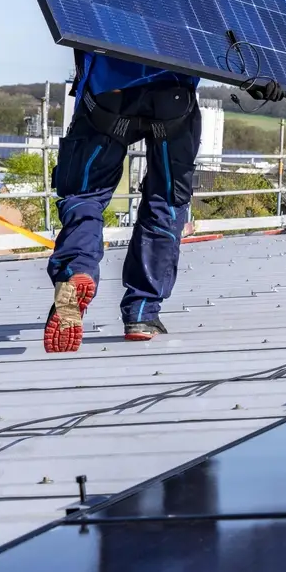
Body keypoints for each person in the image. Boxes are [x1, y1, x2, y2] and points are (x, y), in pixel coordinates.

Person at [42, 52, 203, 352]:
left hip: (108, 94)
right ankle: (142, 313)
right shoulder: (202, 2)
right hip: (174, 95)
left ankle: (76, 270)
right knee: (165, 201)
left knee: (84, 195)